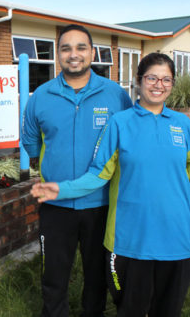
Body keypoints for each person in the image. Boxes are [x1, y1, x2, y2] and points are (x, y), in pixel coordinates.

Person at [31, 52, 190, 317]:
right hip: (130, 241)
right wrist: (62, 188)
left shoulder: (183, 124)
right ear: (139, 80)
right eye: (152, 77)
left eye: (166, 79)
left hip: (176, 238)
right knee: (130, 310)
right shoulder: (119, 123)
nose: (159, 85)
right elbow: (99, 173)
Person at [22, 24, 132, 317]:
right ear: (57, 54)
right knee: (54, 276)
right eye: (66, 48)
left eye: (81, 47)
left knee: (96, 277)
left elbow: (129, 141)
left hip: (101, 204)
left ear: (92, 52)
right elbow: (31, 143)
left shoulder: (115, 95)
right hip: (55, 203)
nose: (74, 54)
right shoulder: (41, 96)